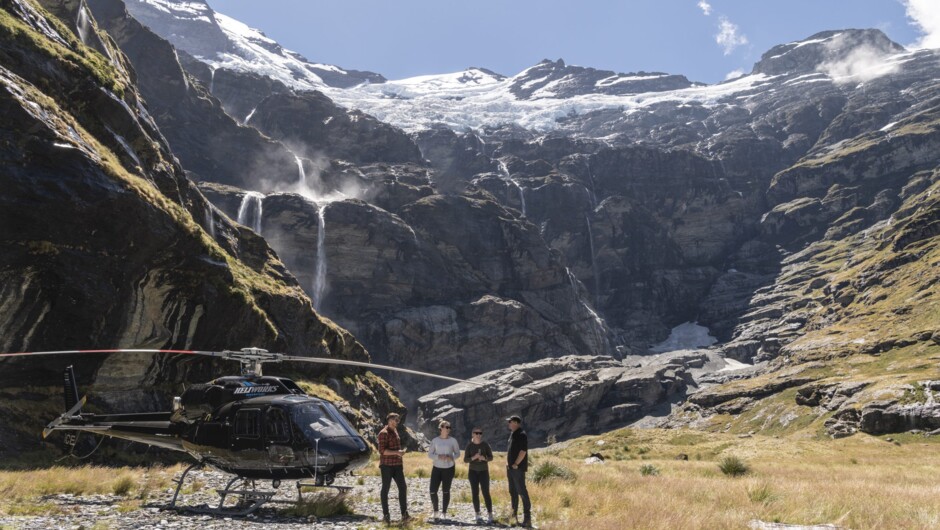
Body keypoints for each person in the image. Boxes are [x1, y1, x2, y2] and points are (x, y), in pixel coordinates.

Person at [378, 413, 411, 524]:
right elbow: (382, 451)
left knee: (403, 488)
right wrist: (397, 452)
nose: (396, 422)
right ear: (389, 420)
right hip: (386, 466)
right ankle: (386, 516)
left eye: (397, 420)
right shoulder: (383, 433)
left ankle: (405, 515)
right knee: (385, 489)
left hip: (397, 465)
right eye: (394, 420)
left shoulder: (395, 431)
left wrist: (400, 452)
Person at [427, 420, 461, 521]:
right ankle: (435, 512)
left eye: (448, 427)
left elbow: (458, 453)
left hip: (449, 468)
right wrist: (438, 457)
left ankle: (444, 513)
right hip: (436, 468)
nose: (447, 429)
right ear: (440, 428)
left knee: (446, 491)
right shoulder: (435, 440)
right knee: (433, 490)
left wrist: (452, 458)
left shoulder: (453, 441)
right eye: (445, 427)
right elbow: (430, 454)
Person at [463, 426, 494, 524]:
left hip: (484, 471)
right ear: (472, 434)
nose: (478, 435)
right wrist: (473, 457)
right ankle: (477, 514)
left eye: (480, 433)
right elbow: (465, 459)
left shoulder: (485, 445)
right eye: (476, 433)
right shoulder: (469, 446)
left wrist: (484, 458)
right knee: (475, 493)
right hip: (472, 472)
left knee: (486, 492)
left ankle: (490, 514)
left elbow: (491, 457)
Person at [506, 415, 531, 528]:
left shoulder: (522, 434)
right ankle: (513, 516)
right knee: (513, 492)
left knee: (521, 491)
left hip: (517, 469)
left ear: (515, 422)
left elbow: (523, 451)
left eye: (510, 422)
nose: (508, 424)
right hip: (510, 469)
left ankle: (527, 518)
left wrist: (516, 464)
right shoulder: (513, 434)